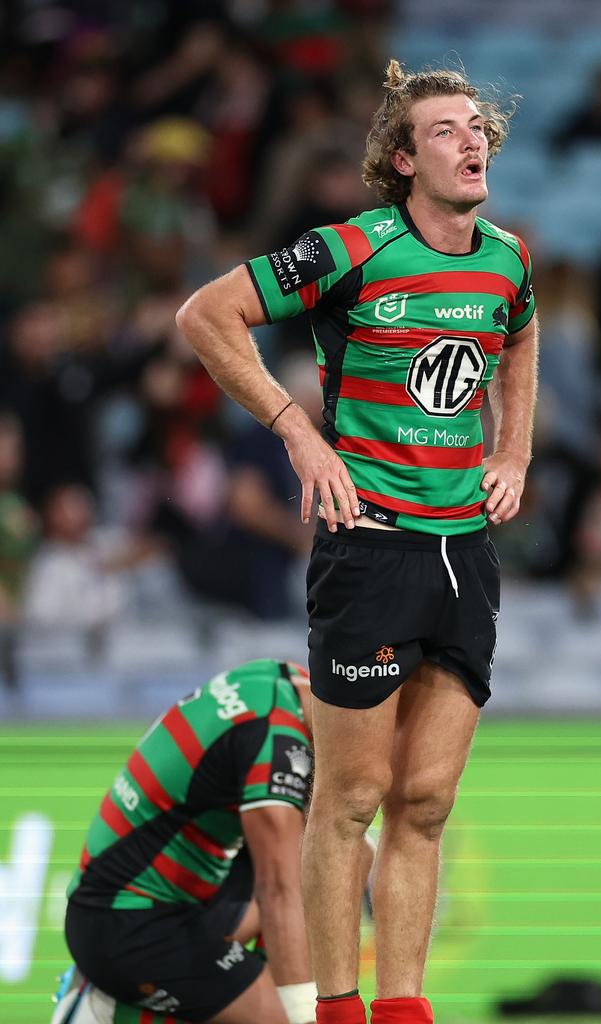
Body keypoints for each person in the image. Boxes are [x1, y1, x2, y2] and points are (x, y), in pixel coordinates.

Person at [176, 59, 539, 1024]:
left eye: (478, 128)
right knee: (350, 801)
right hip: (369, 547)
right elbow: (207, 314)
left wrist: (514, 446)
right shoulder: (350, 250)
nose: (471, 143)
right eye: (447, 131)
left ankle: (405, 1010)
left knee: (426, 803)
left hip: (466, 553)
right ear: (402, 158)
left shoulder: (506, 256)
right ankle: (341, 1012)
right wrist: (298, 432)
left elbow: (521, 334)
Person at [55, 658, 316, 1024]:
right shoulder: (275, 744)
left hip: (159, 895)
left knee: (325, 860)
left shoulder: (284, 681)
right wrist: (304, 1011)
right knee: (288, 1015)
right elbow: (278, 891)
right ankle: (108, 1006)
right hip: (126, 925)